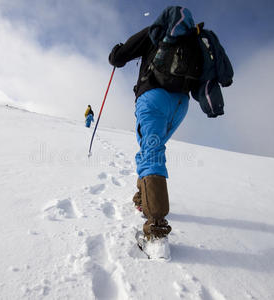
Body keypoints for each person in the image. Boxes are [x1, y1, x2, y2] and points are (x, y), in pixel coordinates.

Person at [108, 6, 199, 241]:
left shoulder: (154, 32)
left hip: (153, 96)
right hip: (181, 104)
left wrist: (117, 50)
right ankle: (143, 197)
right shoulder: (194, 40)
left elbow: (118, 58)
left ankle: (156, 228)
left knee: (152, 152)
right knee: (151, 148)